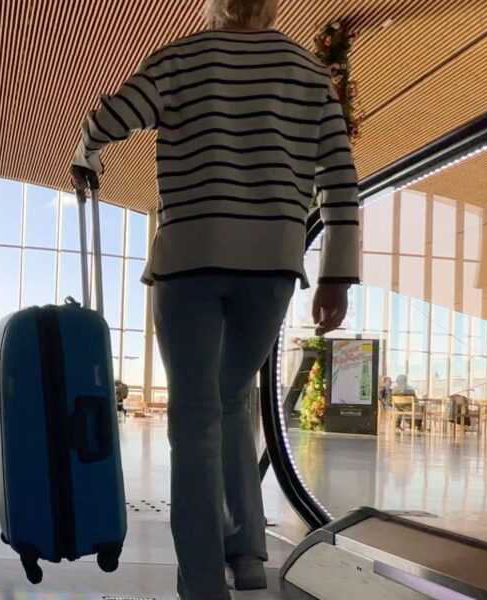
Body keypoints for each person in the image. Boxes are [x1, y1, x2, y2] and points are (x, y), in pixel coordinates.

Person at [69, 0, 358, 593]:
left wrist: (87, 154)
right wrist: (335, 275)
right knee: (233, 402)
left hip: (190, 260)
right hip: (271, 266)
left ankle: (203, 581)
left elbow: (112, 117)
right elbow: (339, 178)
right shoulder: (309, 73)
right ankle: (248, 555)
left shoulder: (182, 57)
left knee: (196, 419)